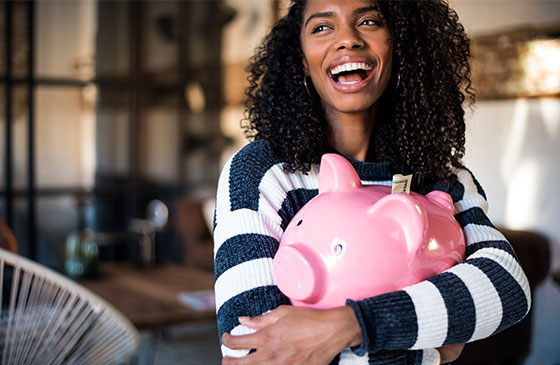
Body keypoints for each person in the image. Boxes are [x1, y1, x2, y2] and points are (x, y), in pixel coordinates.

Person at [213, 0, 531, 364]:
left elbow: (506, 287)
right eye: (321, 27)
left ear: (399, 45)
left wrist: (353, 325)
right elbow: (253, 351)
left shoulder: (442, 179)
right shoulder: (263, 173)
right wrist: (434, 353)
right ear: (302, 59)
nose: (348, 39)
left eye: (368, 21)